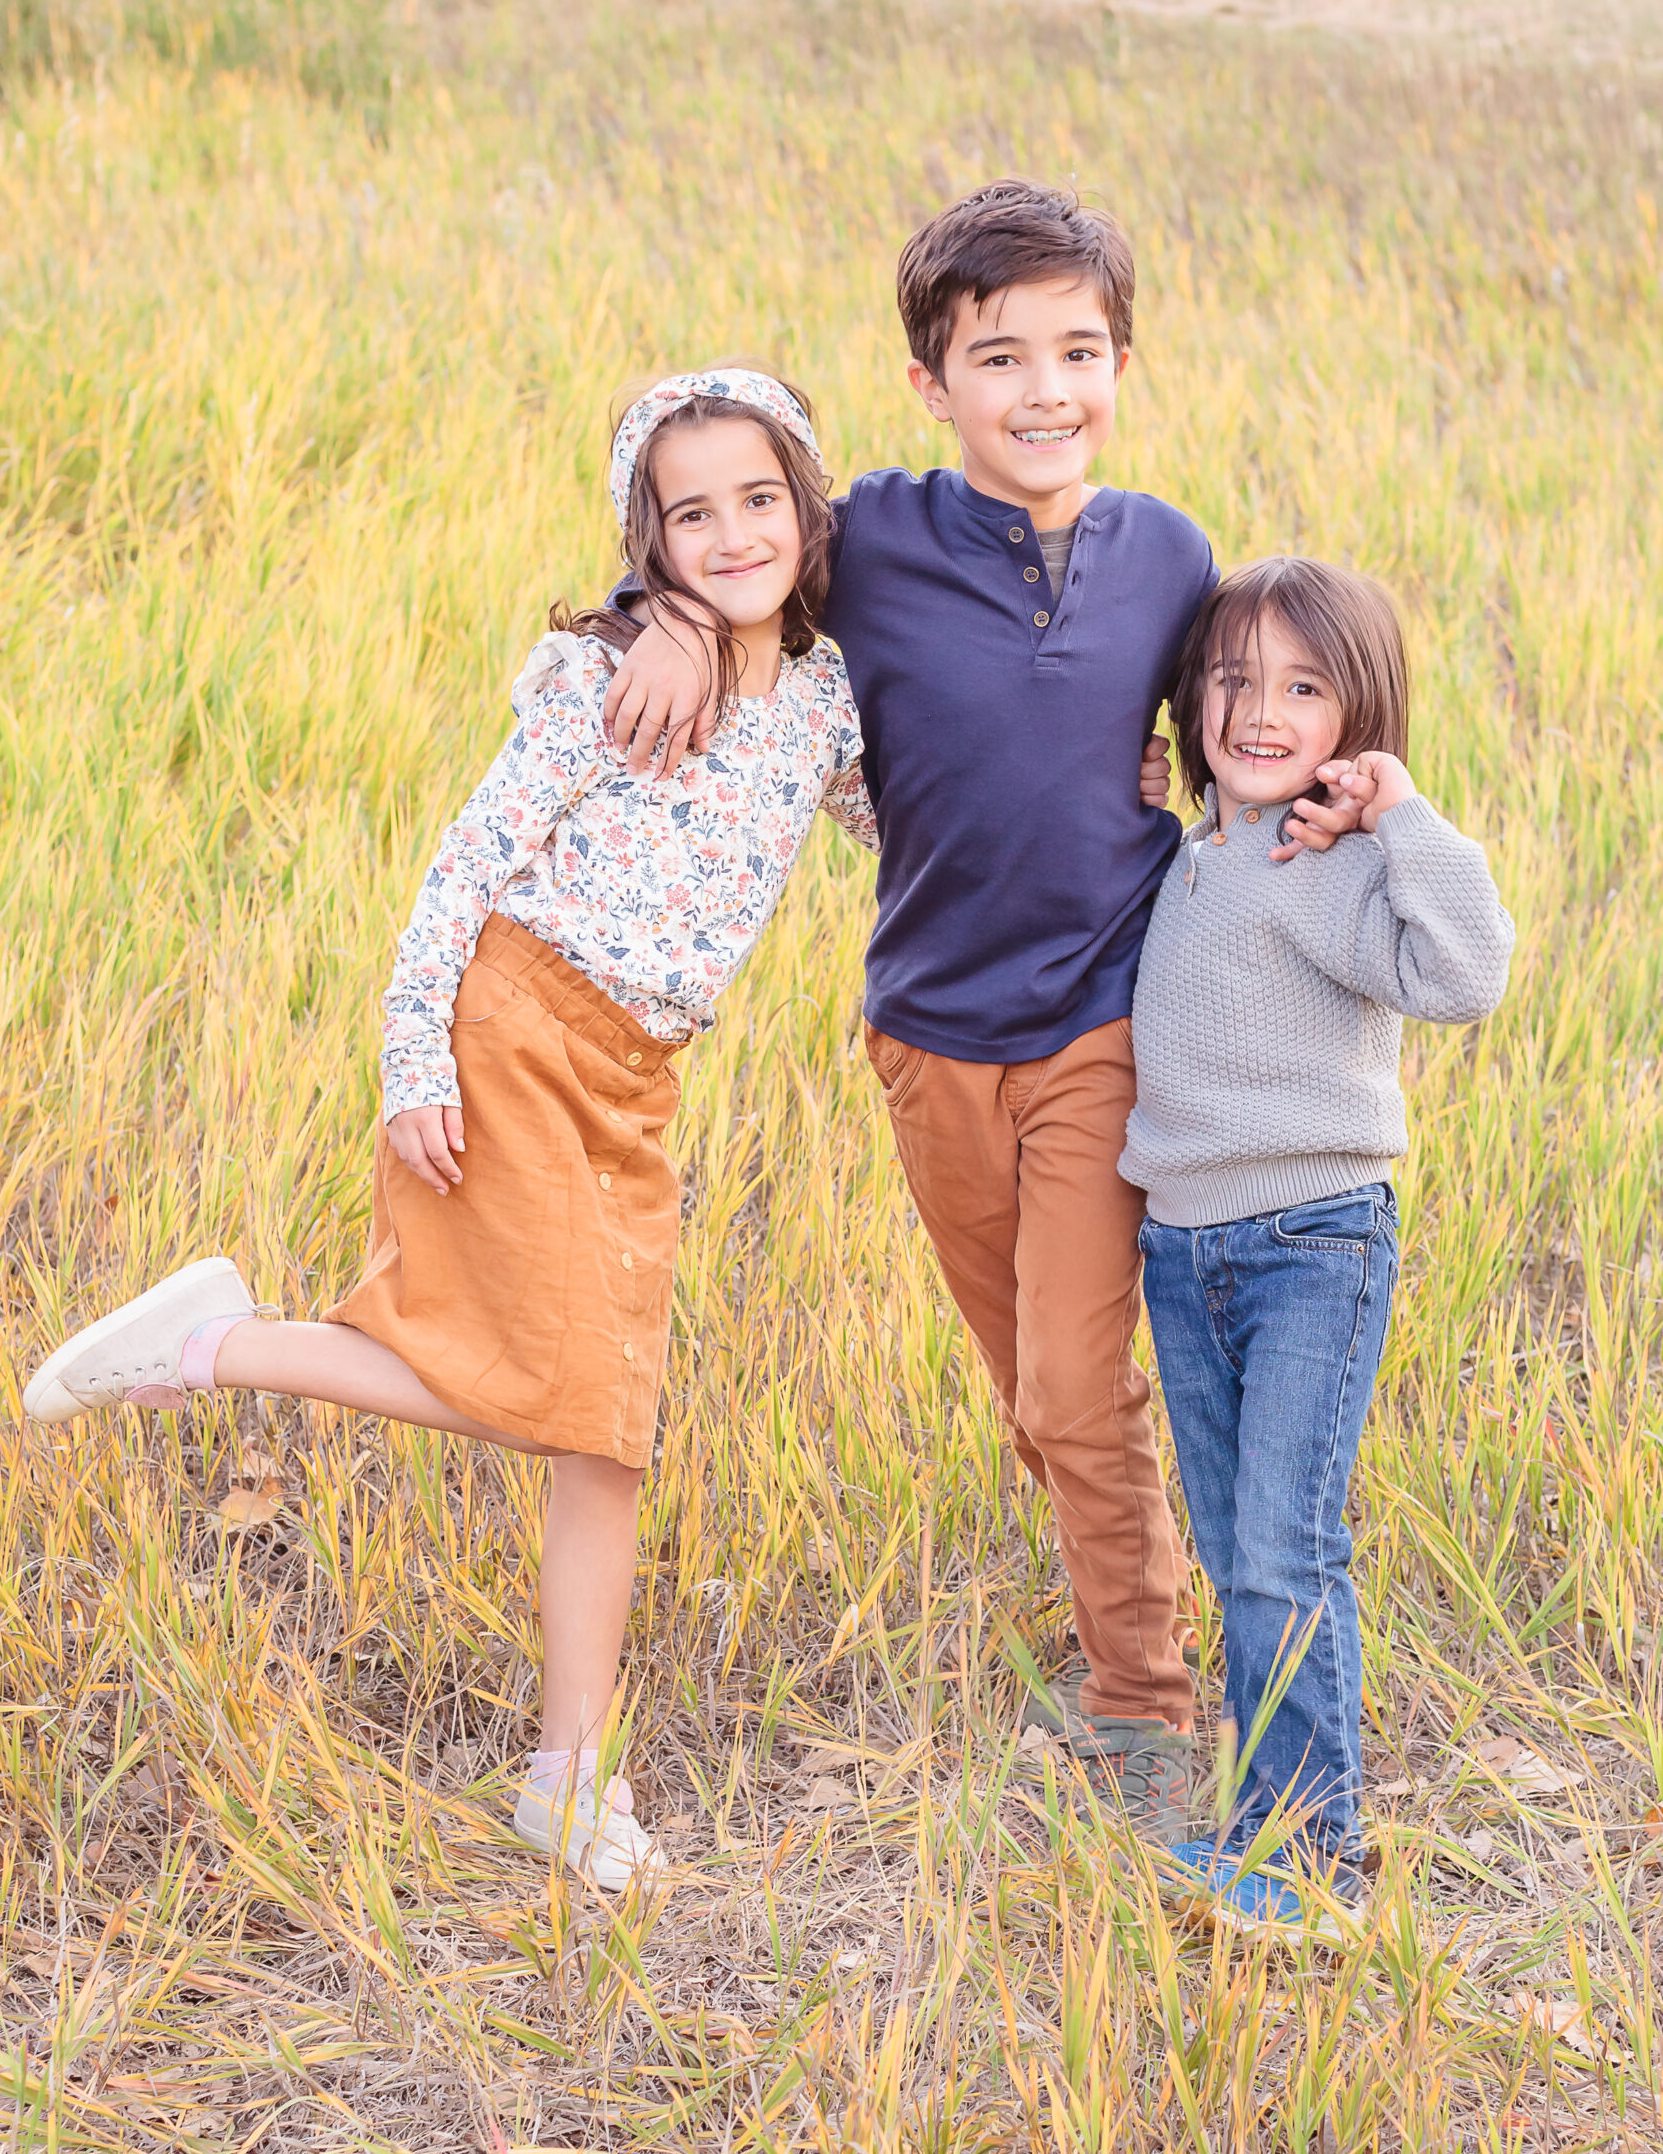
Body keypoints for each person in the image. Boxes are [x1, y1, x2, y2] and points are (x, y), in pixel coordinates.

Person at [23, 367, 879, 1892]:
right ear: (652, 537)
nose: (735, 534)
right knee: (575, 1398)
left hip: (642, 1073)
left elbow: (913, 822)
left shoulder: (823, 699)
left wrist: (1098, 780)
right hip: (521, 1025)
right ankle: (221, 1353)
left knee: (600, 1425)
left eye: (762, 499)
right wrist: (413, 1050)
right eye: (694, 514)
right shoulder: (605, 671)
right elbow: (469, 855)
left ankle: (566, 1771)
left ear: (809, 502)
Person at [597, 183, 1363, 1841]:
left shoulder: (1167, 555)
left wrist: (1357, 782)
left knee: (1083, 1389)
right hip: (928, 1038)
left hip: (1104, 1016)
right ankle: (1123, 1605)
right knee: (1030, 1391)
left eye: (1078, 351)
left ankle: (1146, 1705)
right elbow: (720, 550)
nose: (1044, 390)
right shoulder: (863, 538)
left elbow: (1247, 719)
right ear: (933, 382)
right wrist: (656, 616)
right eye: (998, 355)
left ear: (1125, 362)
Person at [1120, 555, 1513, 1934]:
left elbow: (1467, 974)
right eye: (1235, 679)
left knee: (1285, 1547)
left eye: (1304, 687)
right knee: (1236, 1552)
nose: (1264, 710)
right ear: (1191, 699)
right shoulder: (1181, 858)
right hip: (1182, 1252)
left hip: (1314, 1244)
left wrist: (1400, 815)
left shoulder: (1334, 864)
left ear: (1357, 719)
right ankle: (1264, 1820)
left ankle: (1310, 1858)